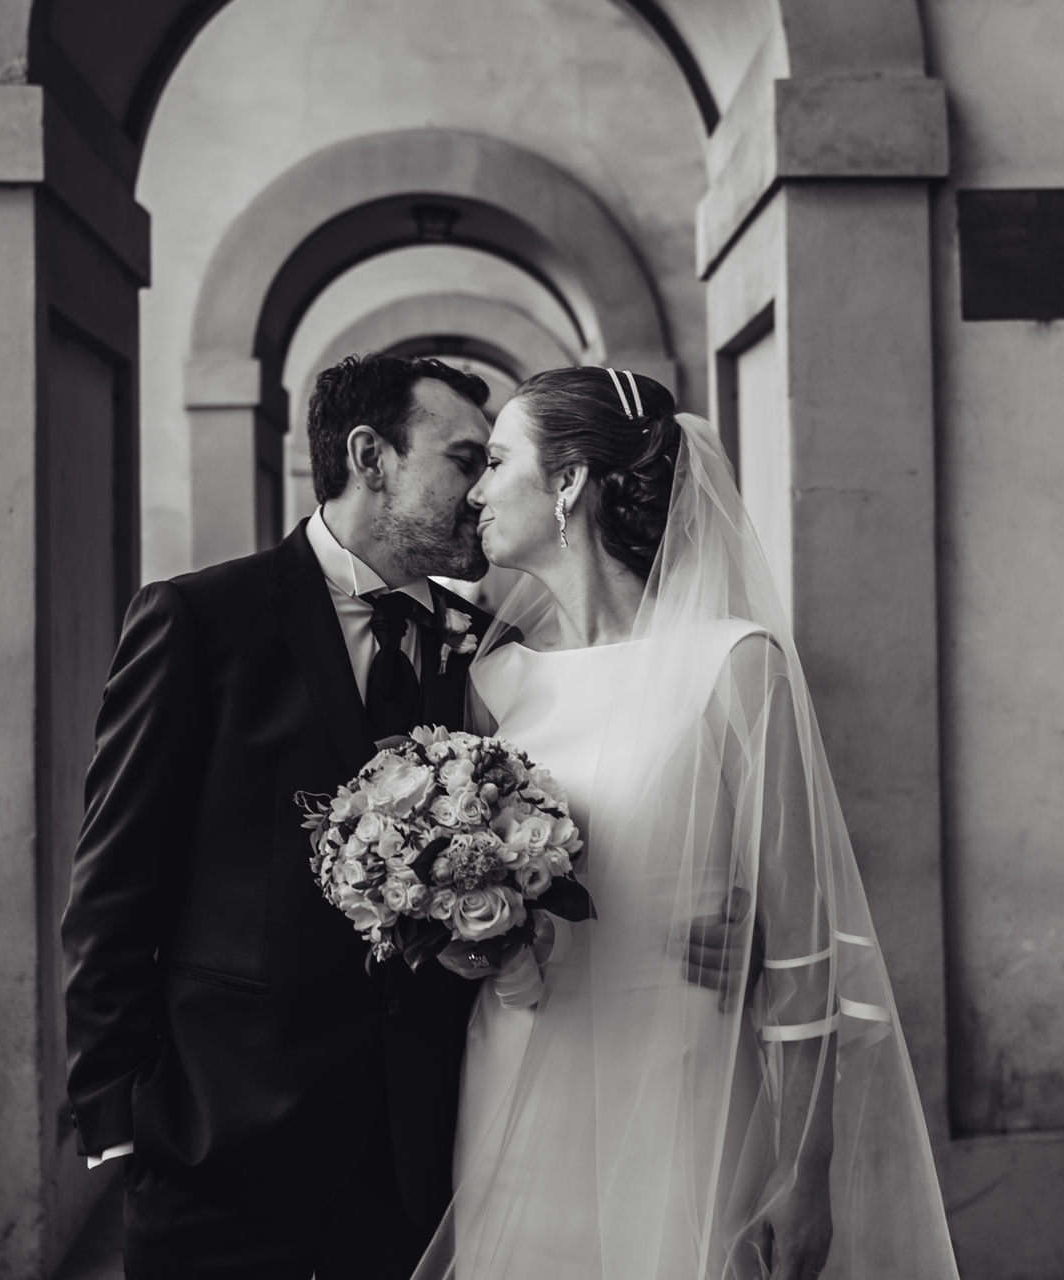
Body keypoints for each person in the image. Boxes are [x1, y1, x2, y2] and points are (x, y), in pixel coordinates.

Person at [413, 368, 961, 1280]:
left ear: (569, 483)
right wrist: (462, 939)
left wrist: (804, 1167)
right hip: (516, 1060)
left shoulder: (736, 666)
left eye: (497, 458)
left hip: (683, 1074)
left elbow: (800, 947)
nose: (475, 490)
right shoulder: (493, 683)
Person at [62, 353, 507, 1278]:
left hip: (413, 1149)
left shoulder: (481, 650)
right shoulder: (200, 620)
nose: (486, 489)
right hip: (221, 1131)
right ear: (370, 455)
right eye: (466, 460)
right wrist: (114, 1106)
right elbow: (115, 879)